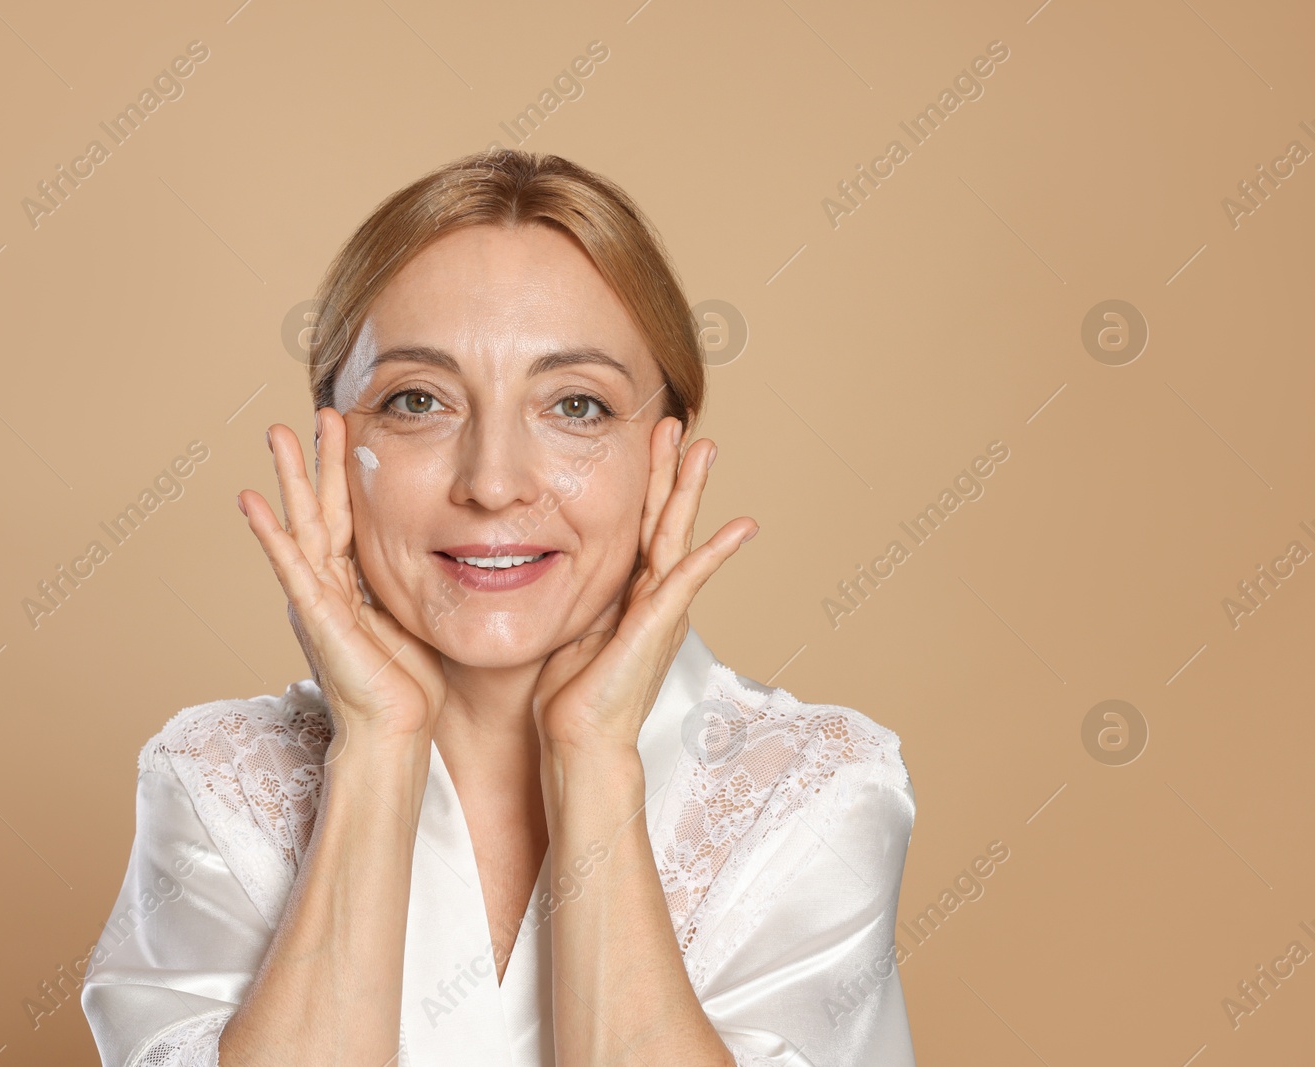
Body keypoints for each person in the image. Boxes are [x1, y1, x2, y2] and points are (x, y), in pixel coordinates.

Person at [82, 149, 917, 1067]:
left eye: (576, 406)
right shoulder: (216, 783)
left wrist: (594, 760)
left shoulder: (811, 790)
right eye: (416, 400)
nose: (491, 482)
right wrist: (376, 750)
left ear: (665, 459)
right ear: (333, 452)